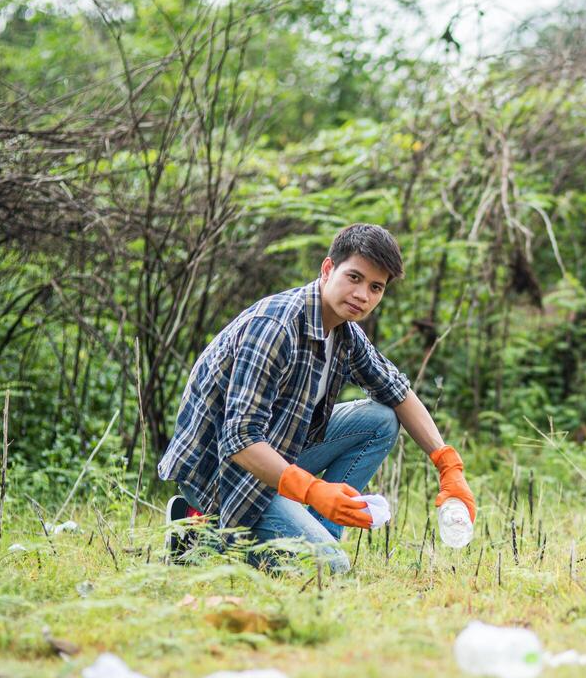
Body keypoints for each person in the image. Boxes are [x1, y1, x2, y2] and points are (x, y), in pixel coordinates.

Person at [157, 223, 476, 574]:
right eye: (354, 278)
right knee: (330, 569)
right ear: (327, 270)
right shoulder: (276, 327)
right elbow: (239, 440)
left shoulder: (345, 333)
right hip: (221, 472)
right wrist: (313, 491)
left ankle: (314, 536)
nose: (362, 295)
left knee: (381, 419)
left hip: (277, 453)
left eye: (375, 287)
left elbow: (398, 392)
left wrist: (449, 465)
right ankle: (199, 536)